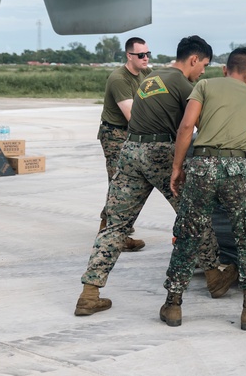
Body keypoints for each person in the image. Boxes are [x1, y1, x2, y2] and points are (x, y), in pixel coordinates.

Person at [75, 36, 228, 316]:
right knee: (193, 213)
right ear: (193, 60)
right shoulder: (184, 84)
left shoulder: (152, 78)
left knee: (116, 225)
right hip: (160, 151)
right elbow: (195, 124)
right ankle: (214, 277)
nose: (203, 71)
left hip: (130, 150)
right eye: (204, 65)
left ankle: (89, 293)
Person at [160, 47, 246, 330]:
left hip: (202, 165)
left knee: (188, 234)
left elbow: (186, 126)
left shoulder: (205, 84)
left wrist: (177, 167)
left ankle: (173, 305)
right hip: (236, 169)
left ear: (226, 69)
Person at [94, 37, 151, 247]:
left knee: (127, 183)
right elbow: (133, 116)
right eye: (141, 55)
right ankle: (115, 236)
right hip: (115, 134)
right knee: (120, 182)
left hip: (130, 134)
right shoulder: (119, 79)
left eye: (147, 54)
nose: (145, 59)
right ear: (129, 56)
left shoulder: (145, 73)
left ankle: (108, 225)